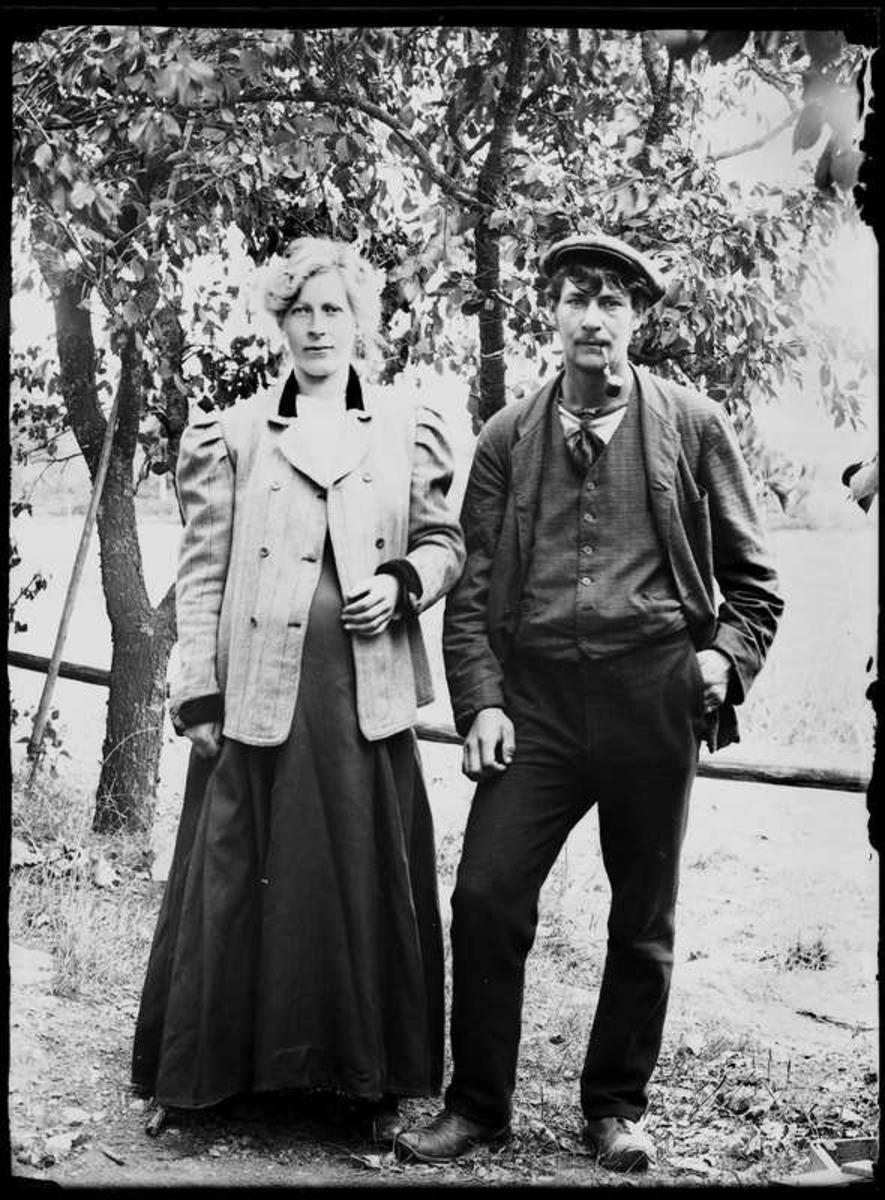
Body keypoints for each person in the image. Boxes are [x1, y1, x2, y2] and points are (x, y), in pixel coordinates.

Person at [395, 232, 784, 1171]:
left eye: (612, 301)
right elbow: (472, 592)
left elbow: (755, 584)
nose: (593, 318)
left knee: (641, 917)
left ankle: (613, 1108)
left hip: (651, 698)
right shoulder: (506, 436)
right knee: (485, 896)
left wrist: (723, 659)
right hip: (535, 708)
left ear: (636, 319)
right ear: (553, 315)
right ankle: (476, 1107)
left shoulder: (693, 425)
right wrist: (482, 703)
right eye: (576, 298)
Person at [131, 237, 465, 1146]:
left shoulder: (406, 426)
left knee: (357, 880)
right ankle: (208, 1084)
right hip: (258, 694)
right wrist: (197, 689)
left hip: (362, 700)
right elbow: (203, 571)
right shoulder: (233, 432)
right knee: (236, 880)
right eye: (300, 312)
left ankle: (361, 1086)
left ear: (360, 324)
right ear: (278, 325)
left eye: (333, 311)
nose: (317, 328)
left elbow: (444, 542)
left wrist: (402, 583)